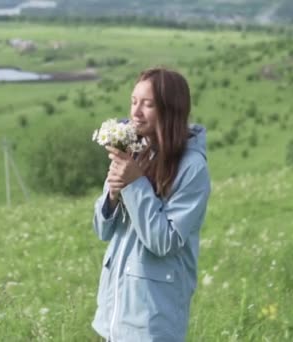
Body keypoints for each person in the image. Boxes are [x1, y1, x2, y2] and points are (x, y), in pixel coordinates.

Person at [91, 67, 211, 342]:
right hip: (113, 316)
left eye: (148, 104)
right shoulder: (133, 151)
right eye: (134, 101)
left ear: (170, 110)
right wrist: (113, 195)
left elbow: (163, 241)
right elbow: (102, 230)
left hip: (152, 321)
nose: (136, 112)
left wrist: (134, 184)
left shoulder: (192, 168)